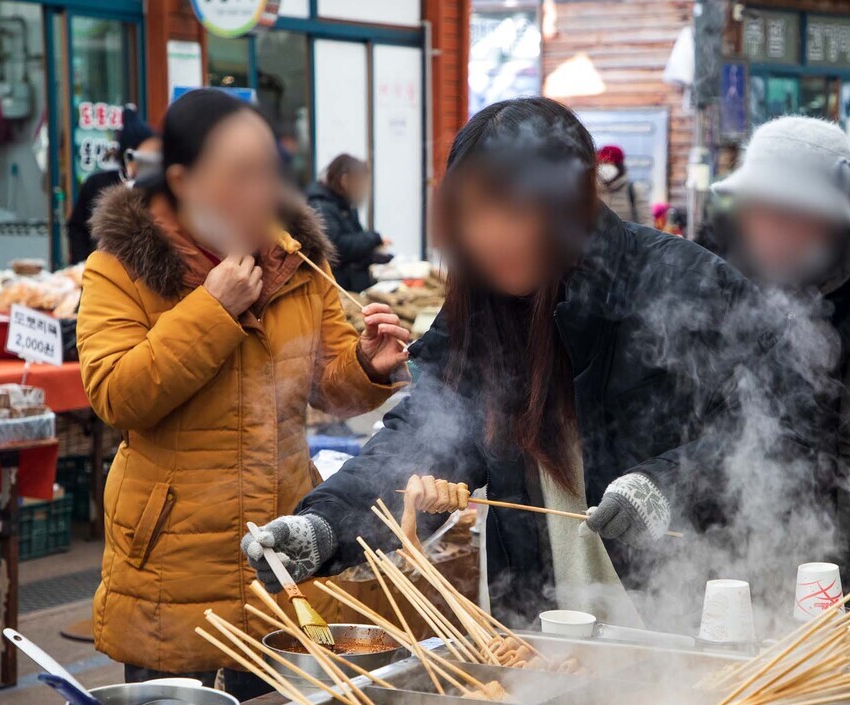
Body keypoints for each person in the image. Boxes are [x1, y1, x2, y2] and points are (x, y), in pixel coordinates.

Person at [243, 97, 783, 626]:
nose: (489, 237)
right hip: (542, 627)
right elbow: (423, 442)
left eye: (515, 212)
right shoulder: (481, 312)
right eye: (472, 215)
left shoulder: (684, 284)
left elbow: (774, 429)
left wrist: (665, 485)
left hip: (687, 619)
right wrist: (326, 526)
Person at [77, 89, 410, 698]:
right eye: (240, 173)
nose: (263, 190)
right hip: (175, 566)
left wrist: (366, 365)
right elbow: (116, 395)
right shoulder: (119, 266)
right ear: (183, 179)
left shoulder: (296, 262)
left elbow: (327, 387)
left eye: (269, 170)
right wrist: (213, 308)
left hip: (282, 549)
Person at [713, 116, 850, 585]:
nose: (770, 230)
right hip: (707, 549)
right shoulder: (707, 277)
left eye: (791, 215)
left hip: (810, 554)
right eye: (759, 209)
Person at [67, 109, 160, 264]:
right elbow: (77, 228)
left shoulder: (156, 185)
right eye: (148, 150)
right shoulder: (97, 184)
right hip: (99, 268)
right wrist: (82, 262)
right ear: (130, 152)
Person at [306, 155, 390, 294]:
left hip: (352, 285)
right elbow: (337, 247)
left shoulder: (346, 204)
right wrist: (374, 238)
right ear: (345, 180)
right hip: (340, 288)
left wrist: (377, 256)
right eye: (360, 182)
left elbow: (356, 237)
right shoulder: (320, 205)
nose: (363, 189)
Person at [595, 145, 647, 226]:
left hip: (626, 237)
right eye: (602, 163)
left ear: (619, 165)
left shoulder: (633, 189)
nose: (604, 167)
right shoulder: (591, 190)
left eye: (609, 163)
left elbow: (646, 222)